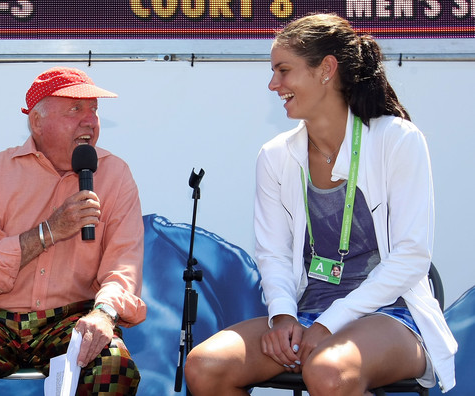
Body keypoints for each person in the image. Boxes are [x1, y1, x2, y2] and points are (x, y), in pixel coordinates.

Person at [184, 13, 457, 396]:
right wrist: (281, 315)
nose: (273, 84)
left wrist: (332, 323)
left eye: (284, 70)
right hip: (308, 315)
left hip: (392, 315)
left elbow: (412, 256)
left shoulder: (397, 139)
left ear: (326, 69)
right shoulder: (275, 155)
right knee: (205, 366)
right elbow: (273, 254)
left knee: (327, 371)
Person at [0, 66, 147, 396]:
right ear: (37, 121)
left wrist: (104, 313)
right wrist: (49, 231)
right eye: (76, 109)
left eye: (94, 110)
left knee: (113, 364)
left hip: (72, 318)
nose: (90, 121)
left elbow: (124, 266)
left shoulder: (115, 175)